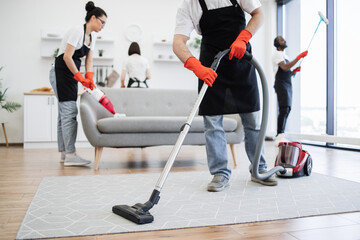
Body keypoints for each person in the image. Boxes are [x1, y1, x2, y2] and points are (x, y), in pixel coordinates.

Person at [173, 0, 276, 191]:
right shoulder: (189, 5)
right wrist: (196, 67)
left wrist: (243, 37)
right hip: (211, 65)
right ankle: (220, 173)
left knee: (253, 120)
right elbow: (178, 43)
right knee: (212, 123)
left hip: (242, 62)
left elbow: (259, 14)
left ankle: (258, 168)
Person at [50, 1, 107, 166]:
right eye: (102, 22)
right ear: (93, 18)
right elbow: (67, 57)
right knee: (69, 111)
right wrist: (80, 77)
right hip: (61, 71)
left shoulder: (93, 36)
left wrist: (89, 77)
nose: (103, 26)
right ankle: (70, 154)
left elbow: (89, 58)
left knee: (64, 113)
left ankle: (64, 153)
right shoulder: (77, 31)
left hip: (70, 73)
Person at [272, 36, 308, 141]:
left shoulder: (284, 55)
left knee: (287, 109)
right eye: (281, 40)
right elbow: (284, 67)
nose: (284, 41)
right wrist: (299, 57)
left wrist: (294, 71)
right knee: (284, 108)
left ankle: (281, 134)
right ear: (277, 44)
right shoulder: (276, 54)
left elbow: (287, 71)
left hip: (287, 83)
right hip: (281, 84)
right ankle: (279, 135)